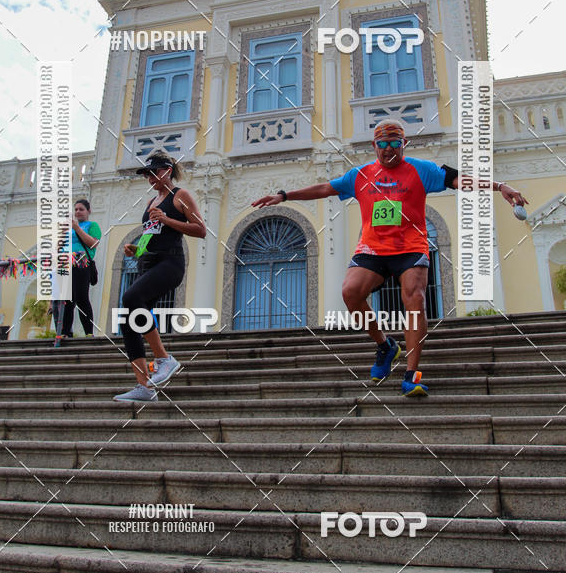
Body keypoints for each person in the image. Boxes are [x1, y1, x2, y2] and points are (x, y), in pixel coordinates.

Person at [252, 120, 527, 397]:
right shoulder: (361, 174)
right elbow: (325, 189)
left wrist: (499, 186)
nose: (388, 149)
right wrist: (284, 195)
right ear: (374, 146)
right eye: (382, 144)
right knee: (350, 292)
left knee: (415, 299)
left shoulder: (422, 170)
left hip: (410, 247)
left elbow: (458, 180)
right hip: (373, 248)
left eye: (395, 143)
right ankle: (385, 346)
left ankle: (411, 375)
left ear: (403, 144)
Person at [114, 151, 207, 402]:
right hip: (148, 261)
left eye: (154, 173)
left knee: (131, 297)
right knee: (130, 320)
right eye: (147, 175)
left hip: (170, 262)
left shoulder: (181, 196)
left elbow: (200, 230)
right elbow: (151, 235)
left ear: (167, 170)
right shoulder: (150, 203)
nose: (150, 179)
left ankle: (164, 359)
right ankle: (144, 386)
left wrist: (168, 219)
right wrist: (136, 250)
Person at [53, 199, 101, 343]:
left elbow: (93, 243)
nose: (78, 212)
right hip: (65, 265)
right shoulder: (69, 228)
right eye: (76, 209)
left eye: (81, 209)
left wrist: (77, 228)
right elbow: (58, 248)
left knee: (82, 298)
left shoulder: (92, 225)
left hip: (82, 264)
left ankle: (88, 332)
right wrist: (63, 232)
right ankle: (66, 332)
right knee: (66, 300)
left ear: (88, 211)